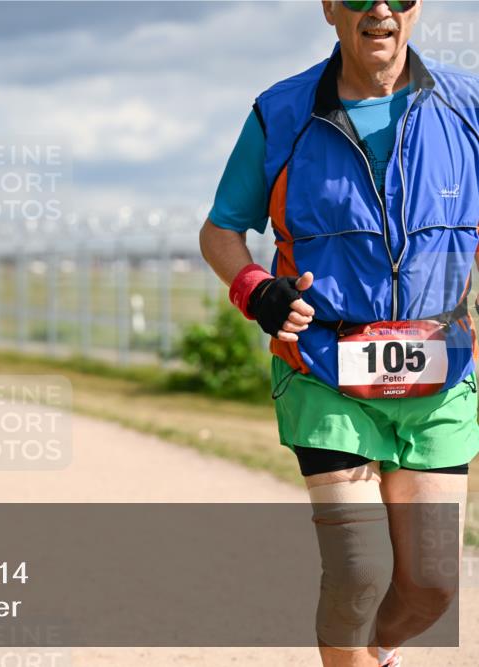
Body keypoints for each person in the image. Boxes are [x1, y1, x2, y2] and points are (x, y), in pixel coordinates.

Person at [199, 2, 477, 666]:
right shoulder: (282, 111)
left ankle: (375, 652)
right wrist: (256, 289)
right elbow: (220, 231)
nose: (378, 8)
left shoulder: (468, 107)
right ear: (329, 7)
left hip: (440, 374)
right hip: (325, 369)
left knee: (433, 584)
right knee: (357, 573)